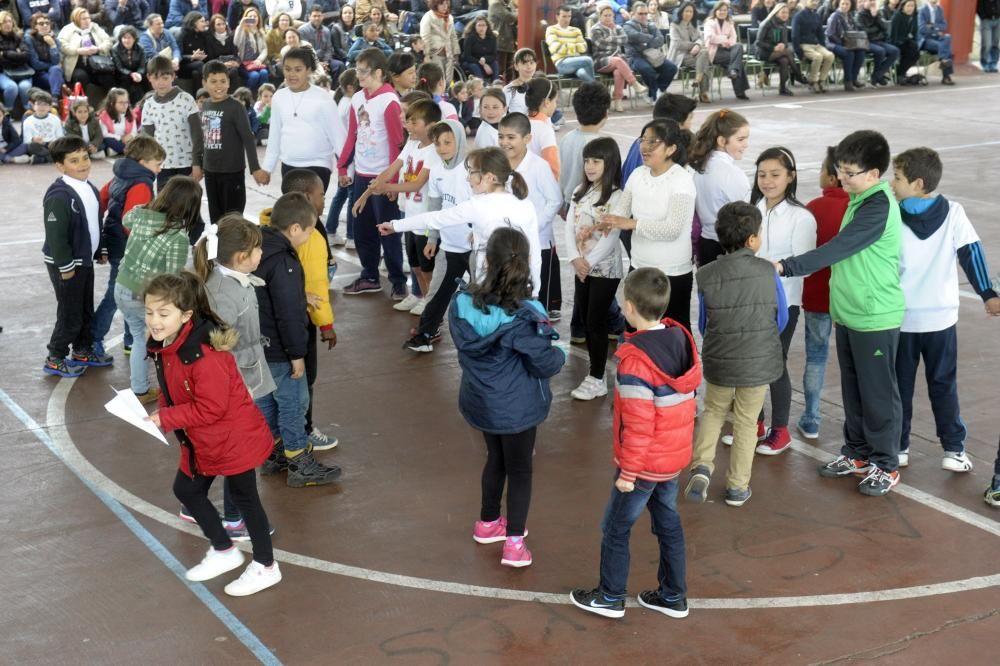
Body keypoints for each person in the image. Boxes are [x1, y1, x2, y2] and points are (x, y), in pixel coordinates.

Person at [776, 130, 905, 496]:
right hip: (849, 312)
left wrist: (786, 266)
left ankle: (886, 463)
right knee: (854, 389)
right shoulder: (859, 197)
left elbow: (839, 248)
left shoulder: (877, 205)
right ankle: (858, 452)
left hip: (875, 315)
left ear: (874, 172)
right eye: (840, 170)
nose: (842, 178)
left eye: (850, 172)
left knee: (878, 393)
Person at [570, 266, 700, 619]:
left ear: (628, 307)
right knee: (668, 524)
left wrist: (628, 472)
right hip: (670, 459)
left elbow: (640, 426)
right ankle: (673, 595)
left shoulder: (634, 364)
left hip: (642, 465)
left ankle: (611, 595)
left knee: (615, 527)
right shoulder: (679, 341)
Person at [143, 271, 281, 597]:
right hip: (205, 439)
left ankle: (265, 566)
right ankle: (224, 550)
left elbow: (212, 408)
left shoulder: (203, 356)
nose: (155, 321)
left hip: (233, 437)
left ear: (186, 315)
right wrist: (162, 412)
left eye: (164, 314)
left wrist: (166, 417)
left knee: (246, 499)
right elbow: (172, 389)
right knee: (186, 490)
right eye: (149, 312)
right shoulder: (168, 346)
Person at [446, 227, 564, 568]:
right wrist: (560, 355)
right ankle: (514, 543)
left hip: (481, 402)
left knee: (494, 459)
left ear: (489, 260)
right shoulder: (526, 314)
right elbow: (544, 363)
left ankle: (487, 523)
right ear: (525, 263)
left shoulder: (463, 302)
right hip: (518, 407)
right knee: (521, 470)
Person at [890, 147, 999, 471]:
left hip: (901, 317)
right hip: (940, 318)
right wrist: (987, 294)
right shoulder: (953, 212)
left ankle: (899, 447)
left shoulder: (892, 215)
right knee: (943, 384)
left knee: (900, 387)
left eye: (897, 177)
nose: (891, 183)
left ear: (918, 183)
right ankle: (953, 450)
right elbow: (972, 254)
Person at [686, 201, 787, 507]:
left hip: (720, 358)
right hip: (757, 361)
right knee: (745, 422)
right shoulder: (767, 272)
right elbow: (780, 318)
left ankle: (702, 466)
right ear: (753, 239)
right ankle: (737, 487)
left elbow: (704, 322)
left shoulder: (705, 275)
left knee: (714, 411)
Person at [190, 214, 276, 542]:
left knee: (221, 447)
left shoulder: (228, 278)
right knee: (239, 452)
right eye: (257, 251)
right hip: (239, 383)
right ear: (241, 257)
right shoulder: (225, 292)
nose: (260, 256)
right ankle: (233, 517)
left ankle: (192, 498)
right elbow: (218, 344)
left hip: (244, 376)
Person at [253, 192, 343, 485]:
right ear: (294, 228)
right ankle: (299, 462)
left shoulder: (258, 247)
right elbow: (290, 315)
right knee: (294, 402)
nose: (308, 236)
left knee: (267, 400)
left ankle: (273, 452)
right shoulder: (286, 263)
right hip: (281, 348)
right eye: (308, 231)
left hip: (258, 343)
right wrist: (297, 354)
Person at [378, 146, 541, 302]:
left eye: (471, 173)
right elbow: (535, 252)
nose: (467, 178)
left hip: (488, 290)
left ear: (490, 177)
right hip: (521, 289)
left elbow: (435, 218)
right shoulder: (526, 205)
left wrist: (395, 225)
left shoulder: (477, 205)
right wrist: (535, 291)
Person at [749, 146, 816, 455]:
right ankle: (755, 424)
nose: (767, 181)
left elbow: (800, 265)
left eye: (775, 175)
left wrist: (767, 272)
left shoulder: (801, 217)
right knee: (751, 363)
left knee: (775, 365)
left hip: (783, 303)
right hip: (752, 302)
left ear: (790, 177)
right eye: (762, 174)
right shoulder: (753, 210)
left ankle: (781, 430)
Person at [602, 119, 696, 332]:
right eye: (643, 140)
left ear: (671, 148)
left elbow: (673, 229)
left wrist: (631, 224)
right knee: (636, 330)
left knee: (674, 332)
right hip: (640, 267)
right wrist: (604, 223)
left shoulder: (681, 180)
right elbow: (622, 213)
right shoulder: (637, 175)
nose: (644, 147)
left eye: (653, 142)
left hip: (671, 272)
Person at [115, 177, 202, 398]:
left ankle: (140, 389)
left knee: (139, 338)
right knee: (166, 341)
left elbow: (126, 220)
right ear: (190, 207)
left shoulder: (141, 213)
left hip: (122, 287)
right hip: (146, 298)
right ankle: (174, 389)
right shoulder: (178, 237)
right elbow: (172, 279)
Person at [357, 97, 441, 312]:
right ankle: (421, 295)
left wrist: (386, 189)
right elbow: (390, 170)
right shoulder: (411, 145)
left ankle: (431, 303)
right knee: (414, 263)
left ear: (430, 125)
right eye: (408, 121)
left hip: (425, 218)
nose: (408, 126)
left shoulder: (434, 151)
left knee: (426, 266)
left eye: (414, 122)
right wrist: (366, 194)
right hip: (409, 215)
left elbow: (417, 184)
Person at [337, 47, 407, 299]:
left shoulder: (389, 101)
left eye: (363, 72)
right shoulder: (357, 99)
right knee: (362, 228)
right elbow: (352, 136)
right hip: (362, 175)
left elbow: (396, 144)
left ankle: (398, 280)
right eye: (357, 71)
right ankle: (369, 275)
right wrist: (342, 166)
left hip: (383, 176)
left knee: (387, 229)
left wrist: (391, 182)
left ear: (379, 72)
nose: (359, 77)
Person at [40, 136, 109, 377]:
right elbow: (56, 237)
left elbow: (93, 224)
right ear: (60, 166)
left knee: (84, 309)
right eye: (74, 160)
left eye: (85, 157)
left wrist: (100, 250)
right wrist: (66, 266)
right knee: (70, 313)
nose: (83, 164)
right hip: (66, 264)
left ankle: (81, 350)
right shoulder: (59, 195)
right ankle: (55, 356)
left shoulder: (88, 187)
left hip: (84, 261)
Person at [401, 119, 471, 352]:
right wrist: (433, 238)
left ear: (459, 141)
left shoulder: (471, 169)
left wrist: (480, 235)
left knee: (486, 295)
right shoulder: (438, 171)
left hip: (474, 248)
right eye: (438, 143)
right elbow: (436, 206)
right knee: (436, 292)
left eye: (448, 142)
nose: (442, 148)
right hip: (449, 246)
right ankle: (425, 334)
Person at [565, 137, 626, 400]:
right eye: (587, 161)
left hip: (604, 269)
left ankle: (597, 377)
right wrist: (574, 259)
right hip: (582, 267)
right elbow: (569, 226)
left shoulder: (617, 196)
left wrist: (587, 262)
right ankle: (598, 372)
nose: (590, 166)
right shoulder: (581, 190)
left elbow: (610, 237)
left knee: (594, 321)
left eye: (596, 161)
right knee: (588, 319)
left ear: (609, 163)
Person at [92, 134, 163, 360]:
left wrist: (103, 238)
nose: (160, 169)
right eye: (157, 164)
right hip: (128, 250)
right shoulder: (141, 184)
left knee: (127, 294)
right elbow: (131, 223)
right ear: (143, 162)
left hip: (115, 243)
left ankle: (131, 341)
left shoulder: (120, 176)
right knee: (118, 295)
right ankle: (93, 338)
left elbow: (101, 200)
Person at [797, 146, 848, 440]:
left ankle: (812, 417)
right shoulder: (859, 209)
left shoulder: (814, 207)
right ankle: (854, 423)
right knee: (850, 361)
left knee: (816, 357)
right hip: (847, 296)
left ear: (832, 176)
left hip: (817, 294)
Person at [499, 112, 561, 317]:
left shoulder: (539, 166)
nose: (504, 142)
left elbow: (555, 200)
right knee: (511, 298)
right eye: (501, 136)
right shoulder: (498, 166)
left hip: (538, 244)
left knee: (537, 301)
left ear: (527, 139)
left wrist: (532, 228)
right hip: (508, 247)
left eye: (510, 137)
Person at [260, 47, 344, 195]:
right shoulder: (279, 97)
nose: (292, 74)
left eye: (298, 69)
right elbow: (275, 136)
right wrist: (267, 168)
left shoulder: (323, 98)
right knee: (293, 213)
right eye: (287, 69)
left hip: (319, 165)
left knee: (310, 213)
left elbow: (338, 137)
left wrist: (345, 169)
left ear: (309, 70)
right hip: (289, 166)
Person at [194, 60, 265, 222]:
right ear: (204, 83)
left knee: (233, 218)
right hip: (211, 171)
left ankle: (233, 246)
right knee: (215, 217)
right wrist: (197, 164)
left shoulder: (235, 107)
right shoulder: (205, 105)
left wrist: (255, 168)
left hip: (232, 172)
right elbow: (201, 138)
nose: (218, 85)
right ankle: (217, 246)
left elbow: (248, 137)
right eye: (213, 81)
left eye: (222, 81)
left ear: (229, 82)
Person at [688, 108, 751, 266]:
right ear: (722, 141)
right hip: (728, 248)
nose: (746, 145)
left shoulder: (698, 168)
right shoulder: (731, 173)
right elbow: (749, 216)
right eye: (741, 139)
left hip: (706, 244)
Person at [140, 54, 203, 189]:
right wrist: (147, 164)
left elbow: (197, 134)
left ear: (173, 76)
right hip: (161, 166)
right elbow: (147, 138)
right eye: (156, 78)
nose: (161, 82)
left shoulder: (186, 99)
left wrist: (197, 164)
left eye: (165, 78)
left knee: (187, 205)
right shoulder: (148, 104)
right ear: (149, 78)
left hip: (186, 164)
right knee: (164, 206)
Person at [558, 81, 610, 206]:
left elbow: (561, 173)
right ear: (606, 113)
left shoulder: (566, 138)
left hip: (567, 200)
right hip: (586, 204)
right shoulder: (598, 146)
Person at [589, 1, 647, 112]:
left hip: (617, 62)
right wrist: (615, 39)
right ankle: (634, 83)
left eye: (610, 15)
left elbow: (624, 39)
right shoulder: (595, 29)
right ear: (600, 16)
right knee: (618, 60)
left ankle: (617, 101)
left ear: (613, 16)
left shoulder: (618, 27)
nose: (608, 18)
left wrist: (610, 39)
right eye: (605, 15)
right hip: (600, 60)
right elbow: (602, 44)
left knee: (618, 72)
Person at [324, 67, 355, 245]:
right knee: (351, 194)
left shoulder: (342, 100)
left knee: (342, 192)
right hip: (348, 153)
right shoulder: (350, 103)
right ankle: (351, 235)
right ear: (350, 87)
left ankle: (331, 230)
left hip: (342, 151)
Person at [624, 0, 678, 101]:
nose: (643, 16)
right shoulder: (627, 26)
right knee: (647, 70)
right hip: (635, 56)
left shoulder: (651, 24)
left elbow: (660, 40)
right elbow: (634, 36)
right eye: (640, 13)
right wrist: (651, 37)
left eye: (645, 13)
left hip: (652, 55)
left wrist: (645, 42)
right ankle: (654, 96)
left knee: (672, 68)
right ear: (633, 14)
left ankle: (657, 91)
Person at [755, 3, 807, 95]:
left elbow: (785, 43)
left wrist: (783, 45)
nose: (785, 15)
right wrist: (773, 48)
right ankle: (798, 75)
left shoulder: (783, 25)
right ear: (776, 13)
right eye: (782, 12)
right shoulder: (767, 23)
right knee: (788, 52)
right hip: (763, 52)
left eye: (787, 13)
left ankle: (782, 88)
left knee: (785, 61)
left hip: (779, 52)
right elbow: (758, 42)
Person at [58, 6, 113, 90]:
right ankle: (81, 102)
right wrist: (78, 51)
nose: (87, 20)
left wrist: (98, 48)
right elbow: (62, 45)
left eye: (88, 18)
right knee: (80, 76)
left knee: (107, 76)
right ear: (76, 19)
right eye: (83, 19)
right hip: (77, 65)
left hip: (97, 63)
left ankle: (111, 100)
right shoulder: (67, 29)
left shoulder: (95, 27)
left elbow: (108, 41)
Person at [668, 2, 711, 102]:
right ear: (681, 12)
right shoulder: (674, 25)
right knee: (704, 59)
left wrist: (698, 45)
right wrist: (694, 45)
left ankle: (698, 78)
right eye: (686, 11)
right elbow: (677, 45)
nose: (689, 14)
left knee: (704, 53)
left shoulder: (694, 24)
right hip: (680, 56)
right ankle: (703, 92)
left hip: (695, 55)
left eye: (691, 11)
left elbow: (701, 38)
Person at [792, 0, 835, 92]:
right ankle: (812, 82)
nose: (815, 3)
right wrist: (799, 52)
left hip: (816, 45)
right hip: (804, 45)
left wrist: (823, 47)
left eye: (816, 1)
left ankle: (821, 80)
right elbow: (795, 36)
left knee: (830, 56)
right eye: (812, 1)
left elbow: (820, 34)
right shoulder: (798, 16)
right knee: (818, 57)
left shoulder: (816, 16)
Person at [546, 4, 595, 82]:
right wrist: (575, 47)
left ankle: (591, 92)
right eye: (564, 16)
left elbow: (584, 48)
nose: (567, 19)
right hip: (562, 63)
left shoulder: (576, 30)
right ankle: (599, 91)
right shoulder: (551, 29)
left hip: (577, 61)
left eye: (569, 16)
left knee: (582, 73)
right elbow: (556, 48)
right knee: (588, 60)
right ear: (557, 17)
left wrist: (565, 46)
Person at [522, 77, 559, 179]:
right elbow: (553, 169)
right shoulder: (545, 131)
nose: (556, 105)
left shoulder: (520, 122)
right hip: (539, 185)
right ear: (547, 102)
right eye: (555, 101)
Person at [825, 0, 865, 90]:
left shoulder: (850, 16)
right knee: (849, 53)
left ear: (851, 5)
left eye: (847, 4)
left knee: (860, 52)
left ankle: (854, 79)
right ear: (838, 4)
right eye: (843, 3)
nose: (845, 6)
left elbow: (855, 30)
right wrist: (842, 44)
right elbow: (830, 35)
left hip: (847, 43)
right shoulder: (834, 16)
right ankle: (847, 81)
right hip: (833, 43)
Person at [0, 11, 36, 111]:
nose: (8, 24)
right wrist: (17, 55)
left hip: (23, 71)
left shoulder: (19, 37)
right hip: (3, 72)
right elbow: (2, 62)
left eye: (10, 21)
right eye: (4, 22)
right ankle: (8, 110)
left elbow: (26, 56)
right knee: (12, 87)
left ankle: (27, 110)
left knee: (25, 87)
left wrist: (5, 53)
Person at [299, 4, 345, 81]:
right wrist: (317, 64)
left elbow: (329, 49)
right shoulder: (302, 31)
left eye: (319, 16)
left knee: (339, 65)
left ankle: (333, 90)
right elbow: (305, 52)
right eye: (314, 16)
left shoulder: (326, 30)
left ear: (322, 17)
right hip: (310, 61)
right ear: (309, 17)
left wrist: (325, 62)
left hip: (325, 60)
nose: (317, 18)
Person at [25, 12, 64, 99]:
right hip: (38, 74)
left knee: (56, 70)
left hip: (53, 73)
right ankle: (55, 99)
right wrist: (52, 66)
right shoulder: (29, 39)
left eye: (47, 23)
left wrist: (52, 45)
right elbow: (36, 64)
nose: (45, 25)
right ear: (35, 26)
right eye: (41, 24)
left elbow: (57, 61)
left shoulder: (54, 39)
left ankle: (54, 99)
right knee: (57, 77)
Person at [20, 89, 63, 162]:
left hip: (52, 144)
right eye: (39, 104)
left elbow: (60, 136)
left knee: (61, 146)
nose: (41, 107)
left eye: (45, 105)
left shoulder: (55, 119)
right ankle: (53, 157)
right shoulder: (28, 121)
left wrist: (54, 142)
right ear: (33, 106)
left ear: (50, 107)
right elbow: (26, 140)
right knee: (31, 146)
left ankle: (41, 159)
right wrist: (33, 139)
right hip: (37, 145)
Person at [917, 0, 954, 84]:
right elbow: (922, 29)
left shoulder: (940, 9)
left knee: (948, 37)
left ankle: (943, 59)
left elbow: (944, 26)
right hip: (926, 40)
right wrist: (937, 30)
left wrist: (932, 27)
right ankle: (946, 77)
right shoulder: (921, 10)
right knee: (947, 50)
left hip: (937, 38)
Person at [420, 0, 458, 80]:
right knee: (437, 81)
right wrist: (426, 55)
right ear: (435, 4)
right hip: (435, 54)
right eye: (441, 4)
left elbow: (453, 36)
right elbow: (425, 37)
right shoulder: (428, 17)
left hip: (449, 55)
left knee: (448, 81)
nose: (445, 6)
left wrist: (456, 53)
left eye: (446, 3)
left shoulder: (450, 17)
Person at [233, 5, 268, 91]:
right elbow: (236, 42)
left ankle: (263, 94)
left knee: (264, 73)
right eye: (250, 17)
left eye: (255, 16)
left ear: (258, 18)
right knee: (254, 75)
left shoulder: (261, 31)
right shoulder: (242, 30)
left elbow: (265, 49)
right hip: (244, 63)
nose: (253, 18)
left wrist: (259, 60)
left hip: (257, 62)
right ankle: (247, 95)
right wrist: (241, 26)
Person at [111, 25, 146, 104]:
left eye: (129, 37)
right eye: (124, 38)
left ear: (134, 38)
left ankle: (140, 106)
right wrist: (131, 74)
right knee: (129, 83)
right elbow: (119, 67)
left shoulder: (140, 48)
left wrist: (139, 74)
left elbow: (142, 66)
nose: (126, 40)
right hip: (123, 75)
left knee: (141, 82)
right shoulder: (115, 49)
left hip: (137, 74)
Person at [205, 13, 241, 90]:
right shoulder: (209, 39)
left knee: (234, 71)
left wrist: (237, 62)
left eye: (223, 24)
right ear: (213, 26)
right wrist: (222, 64)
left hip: (231, 64)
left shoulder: (231, 36)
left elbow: (236, 54)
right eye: (218, 24)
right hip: (217, 65)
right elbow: (210, 57)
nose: (222, 26)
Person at [889, 0, 920, 83]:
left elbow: (915, 31)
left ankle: (900, 72)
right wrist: (900, 42)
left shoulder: (914, 16)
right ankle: (900, 74)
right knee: (911, 48)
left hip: (907, 42)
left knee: (916, 54)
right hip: (896, 42)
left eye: (912, 6)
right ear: (903, 6)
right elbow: (893, 34)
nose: (910, 8)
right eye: (908, 6)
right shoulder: (897, 16)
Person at [460, 14, 497, 82]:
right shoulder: (469, 38)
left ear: (487, 27)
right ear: (475, 27)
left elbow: (494, 55)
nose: (481, 28)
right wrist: (483, 64)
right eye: (479, 25)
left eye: (483, 25)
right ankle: (481, 85)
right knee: (475, 66)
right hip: (470, 61)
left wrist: (485, 59)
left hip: (484, 60)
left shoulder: (492, 38)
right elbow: (467, 56)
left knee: (495, 64)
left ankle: (495, 84)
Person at [178, 10, 210, 90]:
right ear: (194, 23)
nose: (205, 24)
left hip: (199, 66)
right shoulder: (182, 35)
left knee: (196, 73)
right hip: (184, 66)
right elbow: (178, 56)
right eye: (202, 21)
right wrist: (192, 57)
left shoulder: (203, 35)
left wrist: (203, 56)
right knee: (199, 65)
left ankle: (200, 96)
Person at [487, 0, 516, 80]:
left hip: (509, 42)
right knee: (500, 70)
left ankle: (509, 89)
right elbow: (510, 18)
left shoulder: (509, 4)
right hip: (498, 43)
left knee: (510, 70)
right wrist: (517, 13)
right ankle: (497, 89)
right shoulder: (496, 5)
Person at [502, 47, 536, 114]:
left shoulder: (540, 85)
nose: (529, 67)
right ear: (516, 66)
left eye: (531, 63)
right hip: (518, 123)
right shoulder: (508, 89)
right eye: (524, 63)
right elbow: (502, 113)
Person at [978, 0, 1000, 73]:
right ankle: (985, 63)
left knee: (995, 44)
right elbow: (978, 8)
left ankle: (993, 63)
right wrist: (983, 17)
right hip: (986, 21)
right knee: (987, 44)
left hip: (998, 20)